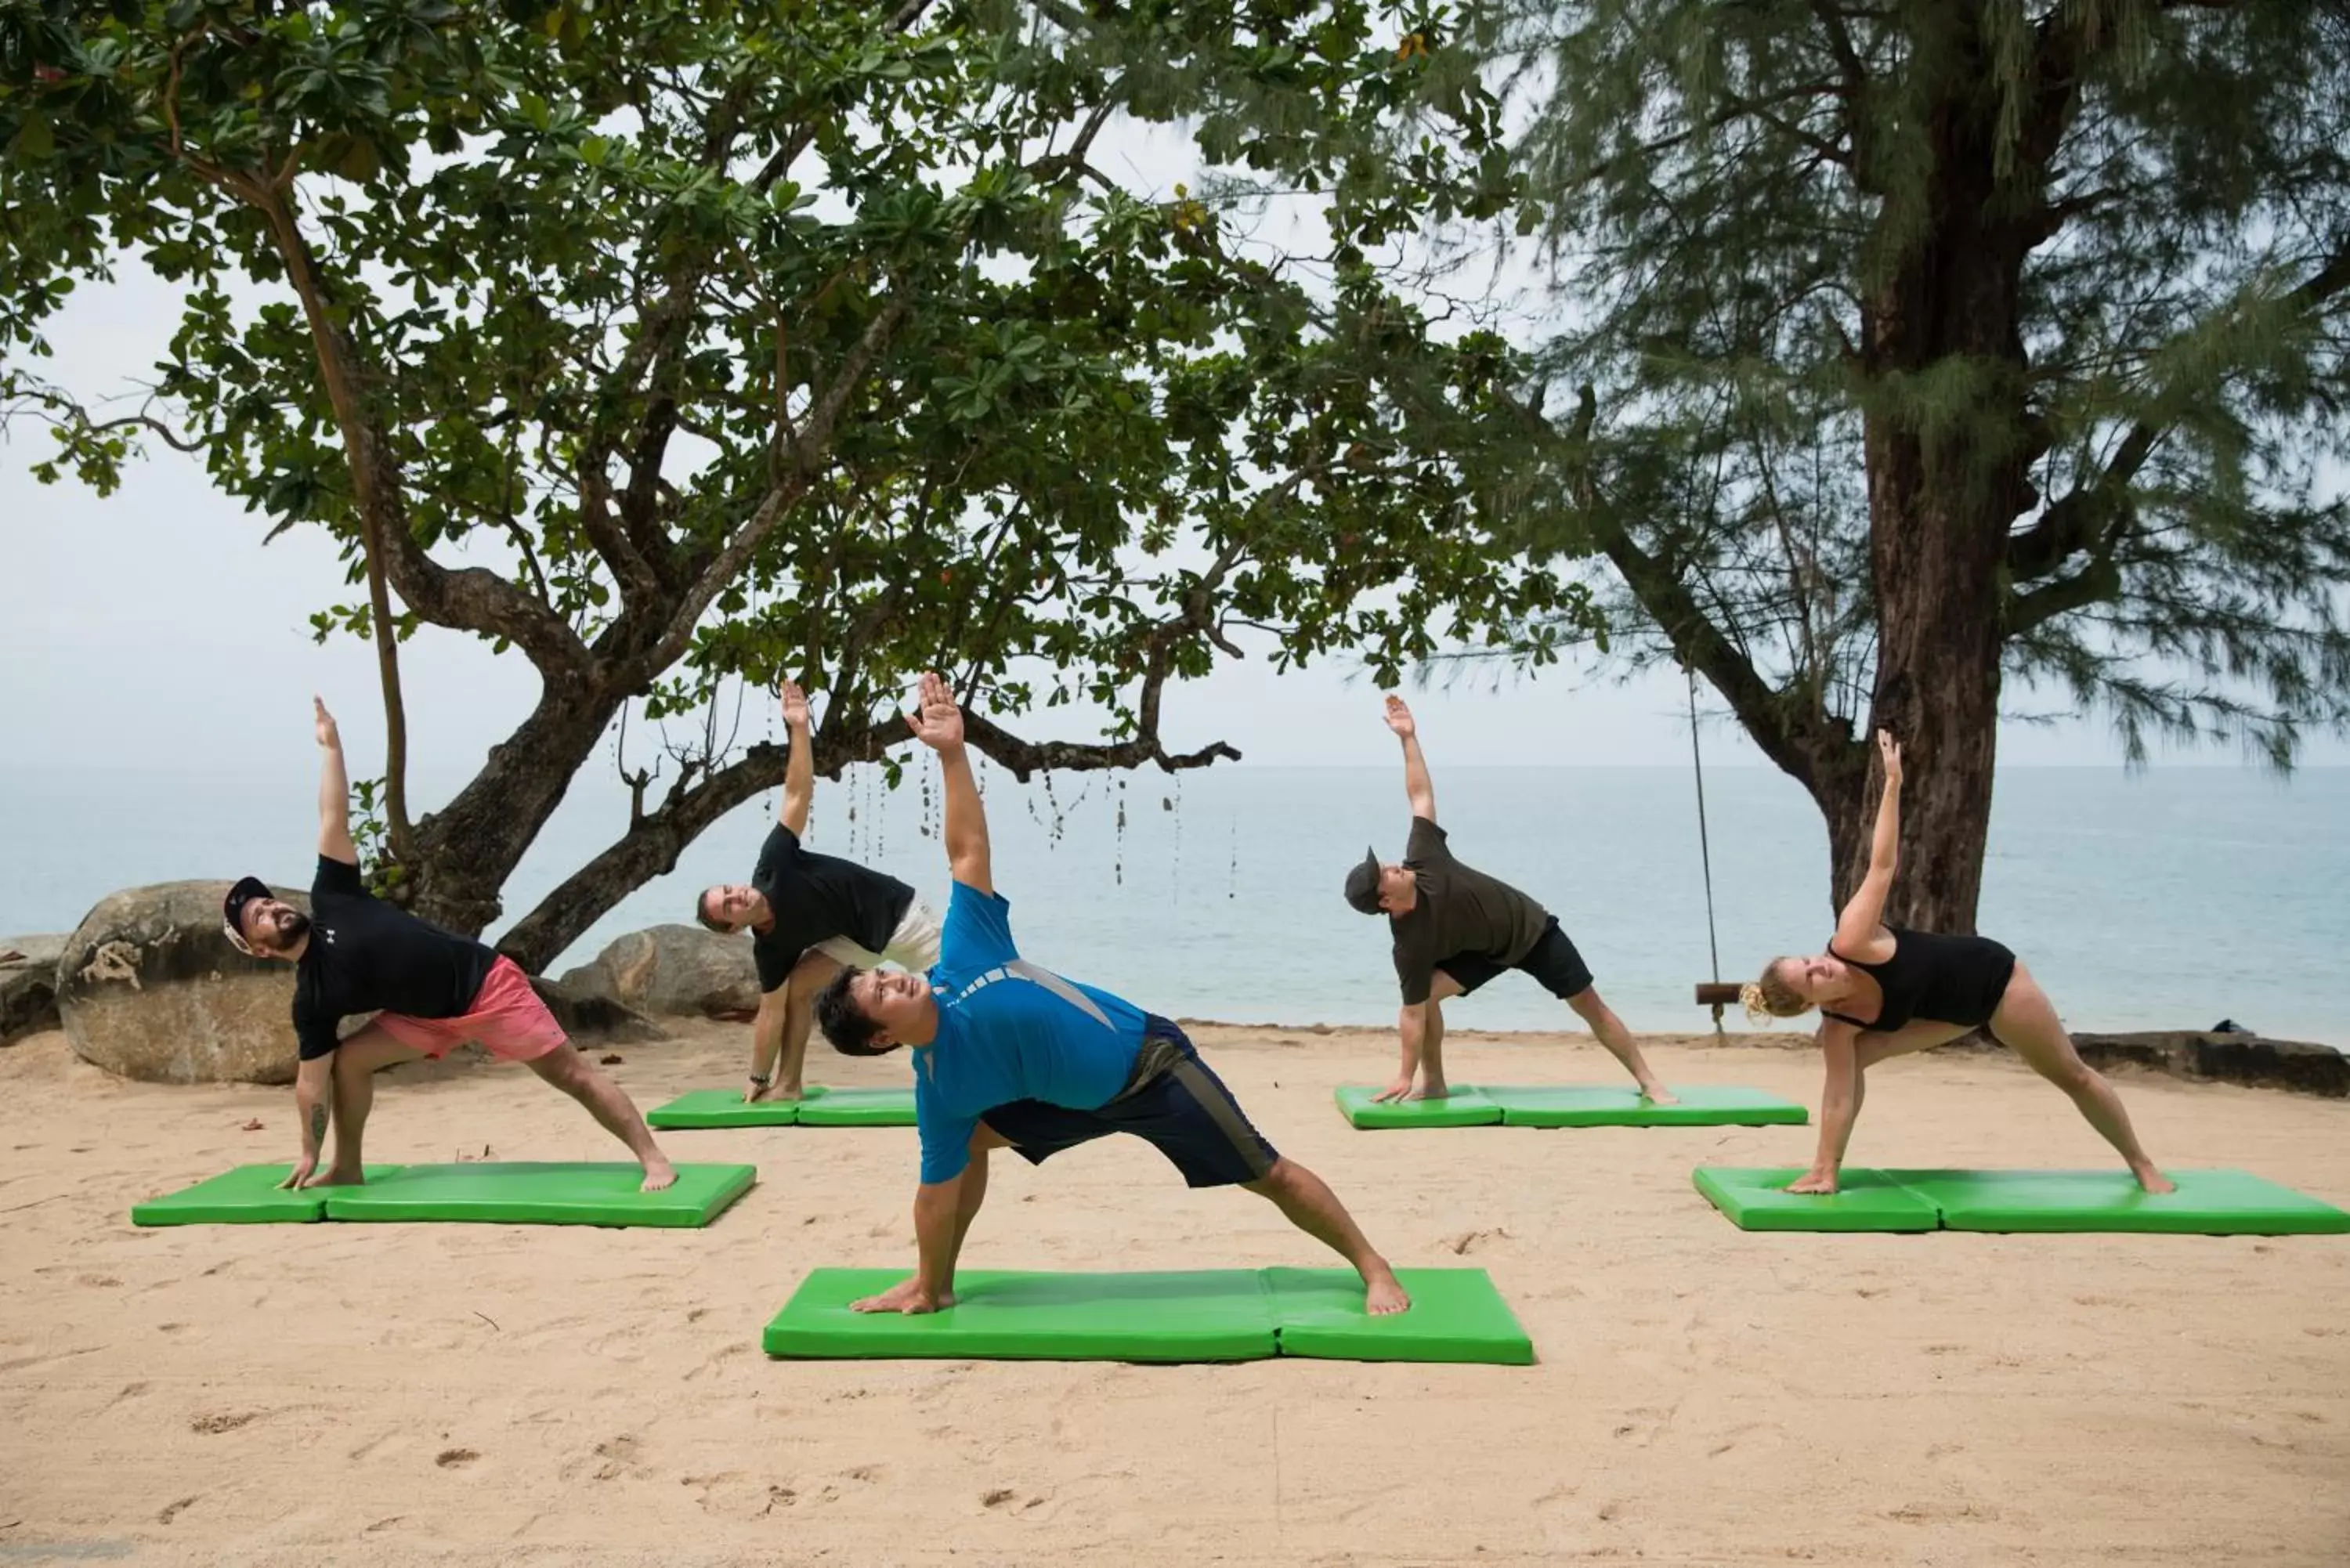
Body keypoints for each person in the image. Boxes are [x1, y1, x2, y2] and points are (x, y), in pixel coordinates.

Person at [812, 673, 1410, 1317]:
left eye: (879, 972)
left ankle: (1373, 1267)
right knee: (966, 1141)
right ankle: (938, 1284)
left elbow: (967, 850)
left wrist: (953, 753)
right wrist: (925, 1281)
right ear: (881, 1037)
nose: (893, 977)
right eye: (879, 992)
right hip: (1066, 1102)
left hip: (1151, 1069)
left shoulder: (967, 952)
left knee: (1267, 1173)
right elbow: (932, 1195)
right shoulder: (940, 1088)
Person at [222, 699, 675, 1191]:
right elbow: (312, 1081)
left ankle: (652, 1158)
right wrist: (308, 1152)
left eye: (267, 903)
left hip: (486, 987)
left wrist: (332, 747)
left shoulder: (332, 896)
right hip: (424, 1019)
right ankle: (346, 1166)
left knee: (573, 1075)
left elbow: (332, 817)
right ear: (260, 949)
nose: (272, 909)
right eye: (258, 917)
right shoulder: (312, 998)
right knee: (349, 1062)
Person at [1741, 730, 2174, 1194]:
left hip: (1994, 985)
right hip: (1952, 1018)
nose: (1820, 964)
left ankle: (2143, 1165)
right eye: (1811, 977)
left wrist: (1892, 784)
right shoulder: (1839, 1023)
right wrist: (1825, 1169)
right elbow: (1837, 1098)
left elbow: (1881, 865)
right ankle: (1827, 1169)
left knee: (2071, 1075)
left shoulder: (1852, 939)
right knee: (1846, 1063)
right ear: (1813, 1003)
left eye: (1809, 959)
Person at [1342, 695, 1673, 1106]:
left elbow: (1420, 795)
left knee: (1589, 1005)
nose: (1392, 866)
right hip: (1484, 954)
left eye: (1386, 865)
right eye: (1384, 875)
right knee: (1424, 996)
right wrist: (1402, 1075)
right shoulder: (1409, 946)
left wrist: (1408, 737)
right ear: (1386, 902)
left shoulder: (1425, 856)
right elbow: (1410, 1014)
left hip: (1530, 931)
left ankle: (1649, 1082)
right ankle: (1434, 1082)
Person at [695, 679, 941, 1103]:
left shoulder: (775, 864)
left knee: (960, 991)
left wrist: (799, 727)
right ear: (735, 928)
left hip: (901, 918)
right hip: (853, 939)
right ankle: (787, 1085)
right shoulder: (769, 950)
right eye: (730, 906)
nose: (739, 896)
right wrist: (757, 1077)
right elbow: (769, 1013)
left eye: (730, 890)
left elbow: (797, 792)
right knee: (794, 989)